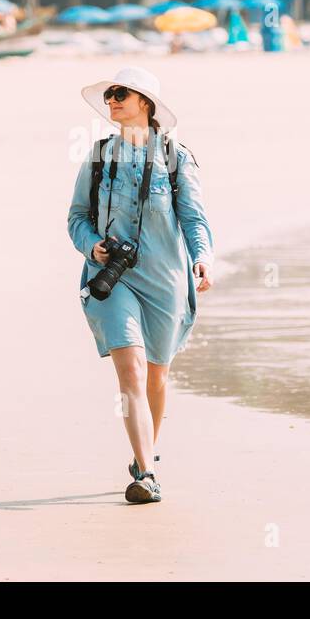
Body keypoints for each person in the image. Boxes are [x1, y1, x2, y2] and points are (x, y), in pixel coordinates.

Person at [67, 67, 214, 504]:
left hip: (166, 278)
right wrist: (92, 246)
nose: (112, 101)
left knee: (156, 375)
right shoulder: (97, 157)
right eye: (109, 94)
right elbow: (77, 217)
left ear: (145, 104)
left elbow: (193, 217)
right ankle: (147, 473)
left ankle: (144, 452)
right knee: (130, 370)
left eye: (121, 94)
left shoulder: (176, 158)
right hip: (112, 280)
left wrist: (203, 258)